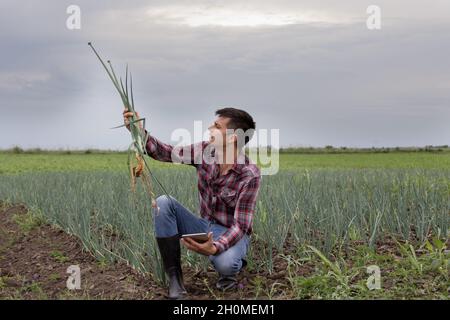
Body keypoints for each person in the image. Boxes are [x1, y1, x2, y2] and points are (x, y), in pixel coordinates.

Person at [123, 107, 261, 299]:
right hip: (204, 226)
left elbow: (241, 225)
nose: (210, 128)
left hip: (231, 232)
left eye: (217, 126)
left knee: (226, 263)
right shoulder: (205, 150)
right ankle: (175, 281)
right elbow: (166, 152)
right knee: (164, 203)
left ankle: (229, 273)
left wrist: (215, 247)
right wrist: (138, 131)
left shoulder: (249, 174)